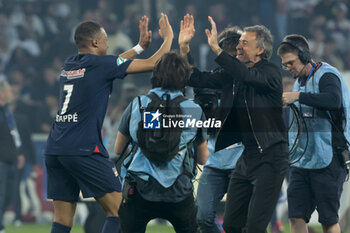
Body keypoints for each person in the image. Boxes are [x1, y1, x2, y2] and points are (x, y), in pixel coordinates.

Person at [44, 14, 173, 233]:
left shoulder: (70, 65)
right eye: (105, 40)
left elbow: (113, 64)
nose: (108, 43)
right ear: (95, 42)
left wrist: (139, 47)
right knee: (121, 212)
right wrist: (168, 38)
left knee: (63, 219)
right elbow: (154, 64)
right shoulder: (102, 65)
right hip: (83, 148)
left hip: (56, 149)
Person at [180, 15, 289, 233]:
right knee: (230, 225)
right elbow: (196, 79)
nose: (238, 46)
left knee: (254, 227)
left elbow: (247, 75)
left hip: (270, 156)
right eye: (238, 43)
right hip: (246, 158)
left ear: (259, 50)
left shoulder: (270, 72)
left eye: (244, 43)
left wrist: (217, 50)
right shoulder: (233, 75)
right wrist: (184, 47)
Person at [114, 51, 209, 233]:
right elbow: (203, 158)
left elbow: (118, 149)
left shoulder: (138, 104)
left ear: (155, 75)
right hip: (179, 190)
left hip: (140, 188)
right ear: (184, 77)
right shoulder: (194, 109)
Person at [178, 14, 244, 233]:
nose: (230, 54)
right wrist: (185, 48)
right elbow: (193, 78)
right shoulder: (219, 78)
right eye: (224, 50)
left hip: (242, 162)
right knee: (202, 218)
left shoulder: (251, 78)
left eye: (235, 50)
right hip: (214, 162)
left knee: (238, 223)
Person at [278, 34, 349, 233]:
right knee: (295, 216)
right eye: (285, 65)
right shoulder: (299, 81)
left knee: (328, 219)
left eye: (291, 62)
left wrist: (298, 96)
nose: (288, 68)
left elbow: (333, 100)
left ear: (305, 56)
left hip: (329, 158)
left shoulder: (327, 74)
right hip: (302, 160)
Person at [0, 80, 25, 233]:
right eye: (9, 90)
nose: (12, 94)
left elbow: (13, 135)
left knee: (8, 194)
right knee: (1, 194)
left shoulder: (7, 111)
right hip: (1, 159)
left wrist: (19, 152)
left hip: (11, 159)